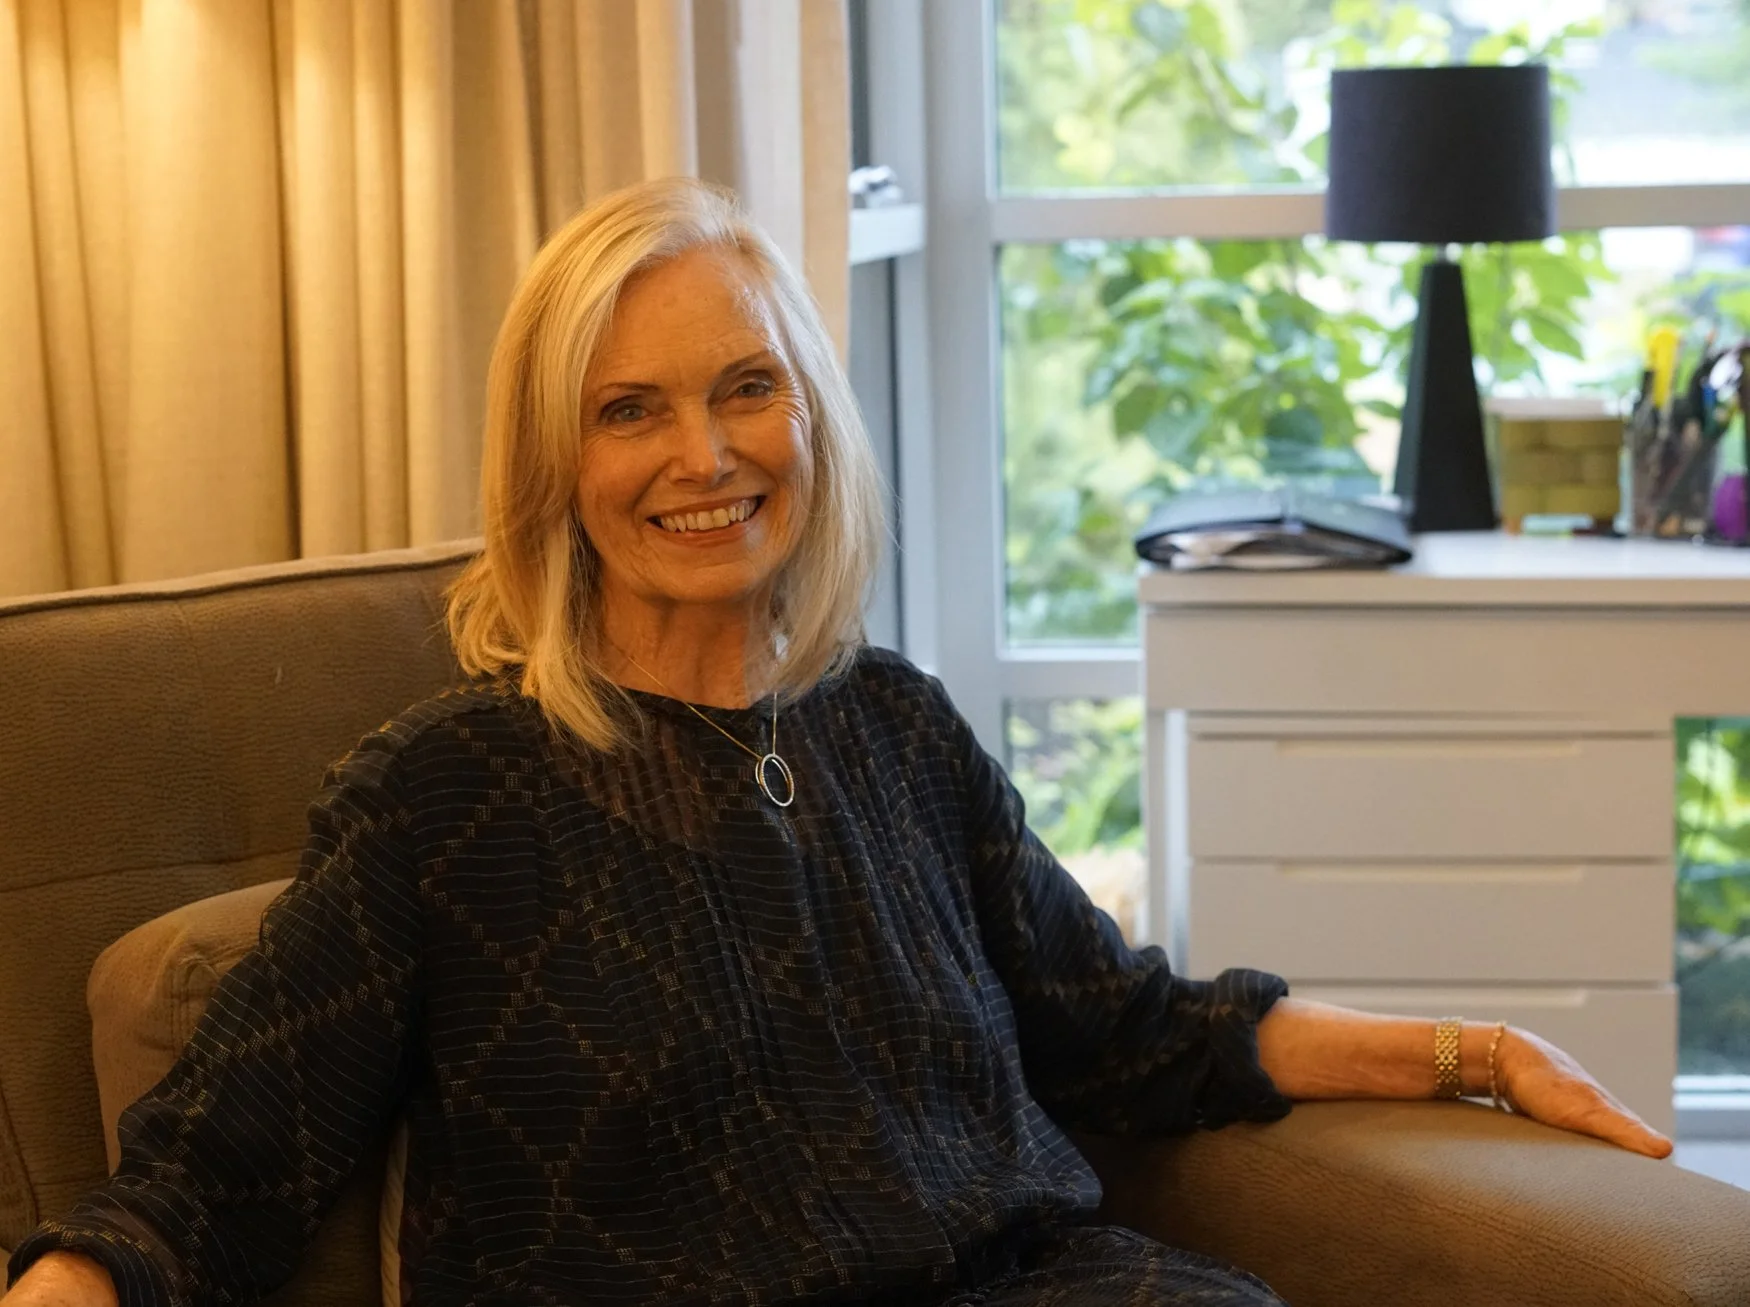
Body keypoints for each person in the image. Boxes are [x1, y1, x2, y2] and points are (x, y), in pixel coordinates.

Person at [3, 178, 1672, 1307]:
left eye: (744, 385)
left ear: (807, 407)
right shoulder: (450, 791)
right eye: (627, 407)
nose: (703, 452)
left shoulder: (893, 726)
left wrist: (1470, 1050)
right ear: (554, 469)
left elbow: (1129, 1027)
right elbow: (220, 1158)